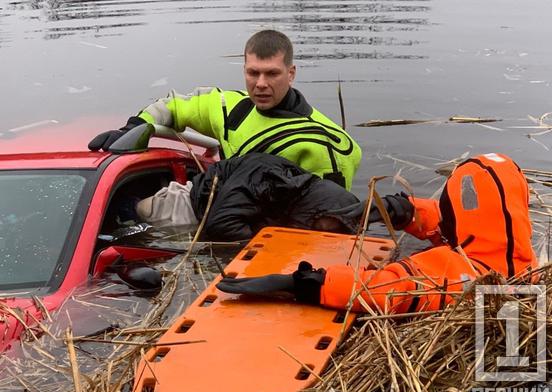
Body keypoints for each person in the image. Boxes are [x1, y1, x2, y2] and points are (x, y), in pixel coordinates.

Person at [217, 153, 538, 313]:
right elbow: (466, 226)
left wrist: (301, 283)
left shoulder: (456, 275)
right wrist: (404, 210)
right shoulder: (521, 260)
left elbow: (382, 288)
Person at [89, 29, 362, 190]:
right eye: (253, 73)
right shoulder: (228, 107)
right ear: (244, 70)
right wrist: (135, 126)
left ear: (291, 74)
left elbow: (328, 220)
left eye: (272, 74)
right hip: (228, 204)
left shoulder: (327, 144)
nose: (261, 84)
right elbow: (171, 106)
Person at [133, 152, 413, 242]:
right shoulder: (262, 178)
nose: (325, 234)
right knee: (138, 211)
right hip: (184, 210)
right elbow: (220, 225)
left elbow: (356, 215)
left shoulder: (305, 197)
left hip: (225, 208)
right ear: (313, 213)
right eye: (325, 227)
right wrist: (275, 243)